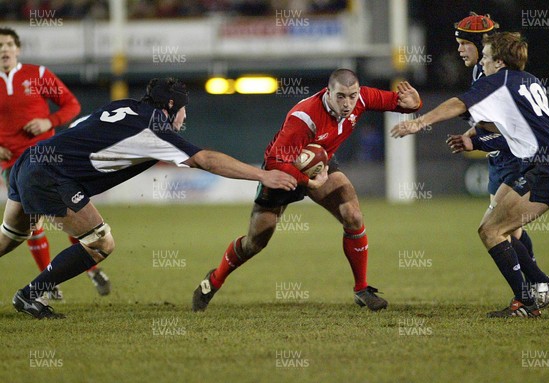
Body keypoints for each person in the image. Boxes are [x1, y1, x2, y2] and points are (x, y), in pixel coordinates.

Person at [2, 77, 298, 319]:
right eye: (184, 109)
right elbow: (205, 159)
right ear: (171, 105)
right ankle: (29, 295)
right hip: (49, 176)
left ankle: (30, 293)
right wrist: (262, 175)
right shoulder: (154, 126)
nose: (185, 116)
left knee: (9, 238)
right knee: (99, 242)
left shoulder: (125, 106)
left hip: (29, 160)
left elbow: (80, 128)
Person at [391, 32, 549, 318]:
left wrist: (420, 121)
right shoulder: (531, 81)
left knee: (490, 231)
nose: (484, 64)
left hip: (547, 169)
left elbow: (458, 103)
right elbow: (506, 128)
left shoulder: (497, 80)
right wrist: (475, 140)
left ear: (499, 62)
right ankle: (538, 283)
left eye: (487, 58)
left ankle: (527, 301)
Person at [192, 68, 422, 312]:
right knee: (256, 242)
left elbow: (400, 103)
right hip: (283, 172)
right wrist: (306, 181)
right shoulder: (304, 118)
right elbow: (274, 162)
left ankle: (361, 288)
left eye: (352, 96)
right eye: (341, 96)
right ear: (328, 92)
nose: (348, 103)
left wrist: (414, 104)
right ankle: (213, 281)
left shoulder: (361, 98)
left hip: (320, 167)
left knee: (353, 215)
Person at [448, 13, 549, 308]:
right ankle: (537, 285)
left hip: (515, 157)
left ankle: (538, 285)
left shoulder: (497, 75)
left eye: (463, 44)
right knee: (511, 230)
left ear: (480, 43)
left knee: (500, 228)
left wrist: (475, 138)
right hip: (500, 158)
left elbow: (512, 130)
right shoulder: (480, 73)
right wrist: (474, 129)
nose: (459, 50)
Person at [0, 27, 111, 297]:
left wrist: (48, 121)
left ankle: (87, 270)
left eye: (7, 45)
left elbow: (71, 105)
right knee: (33, 223)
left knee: (64, 216)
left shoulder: (37, 75)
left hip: (46, 160)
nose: (3, 50)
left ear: (18, 49)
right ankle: (51, 285)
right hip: (14, 165)